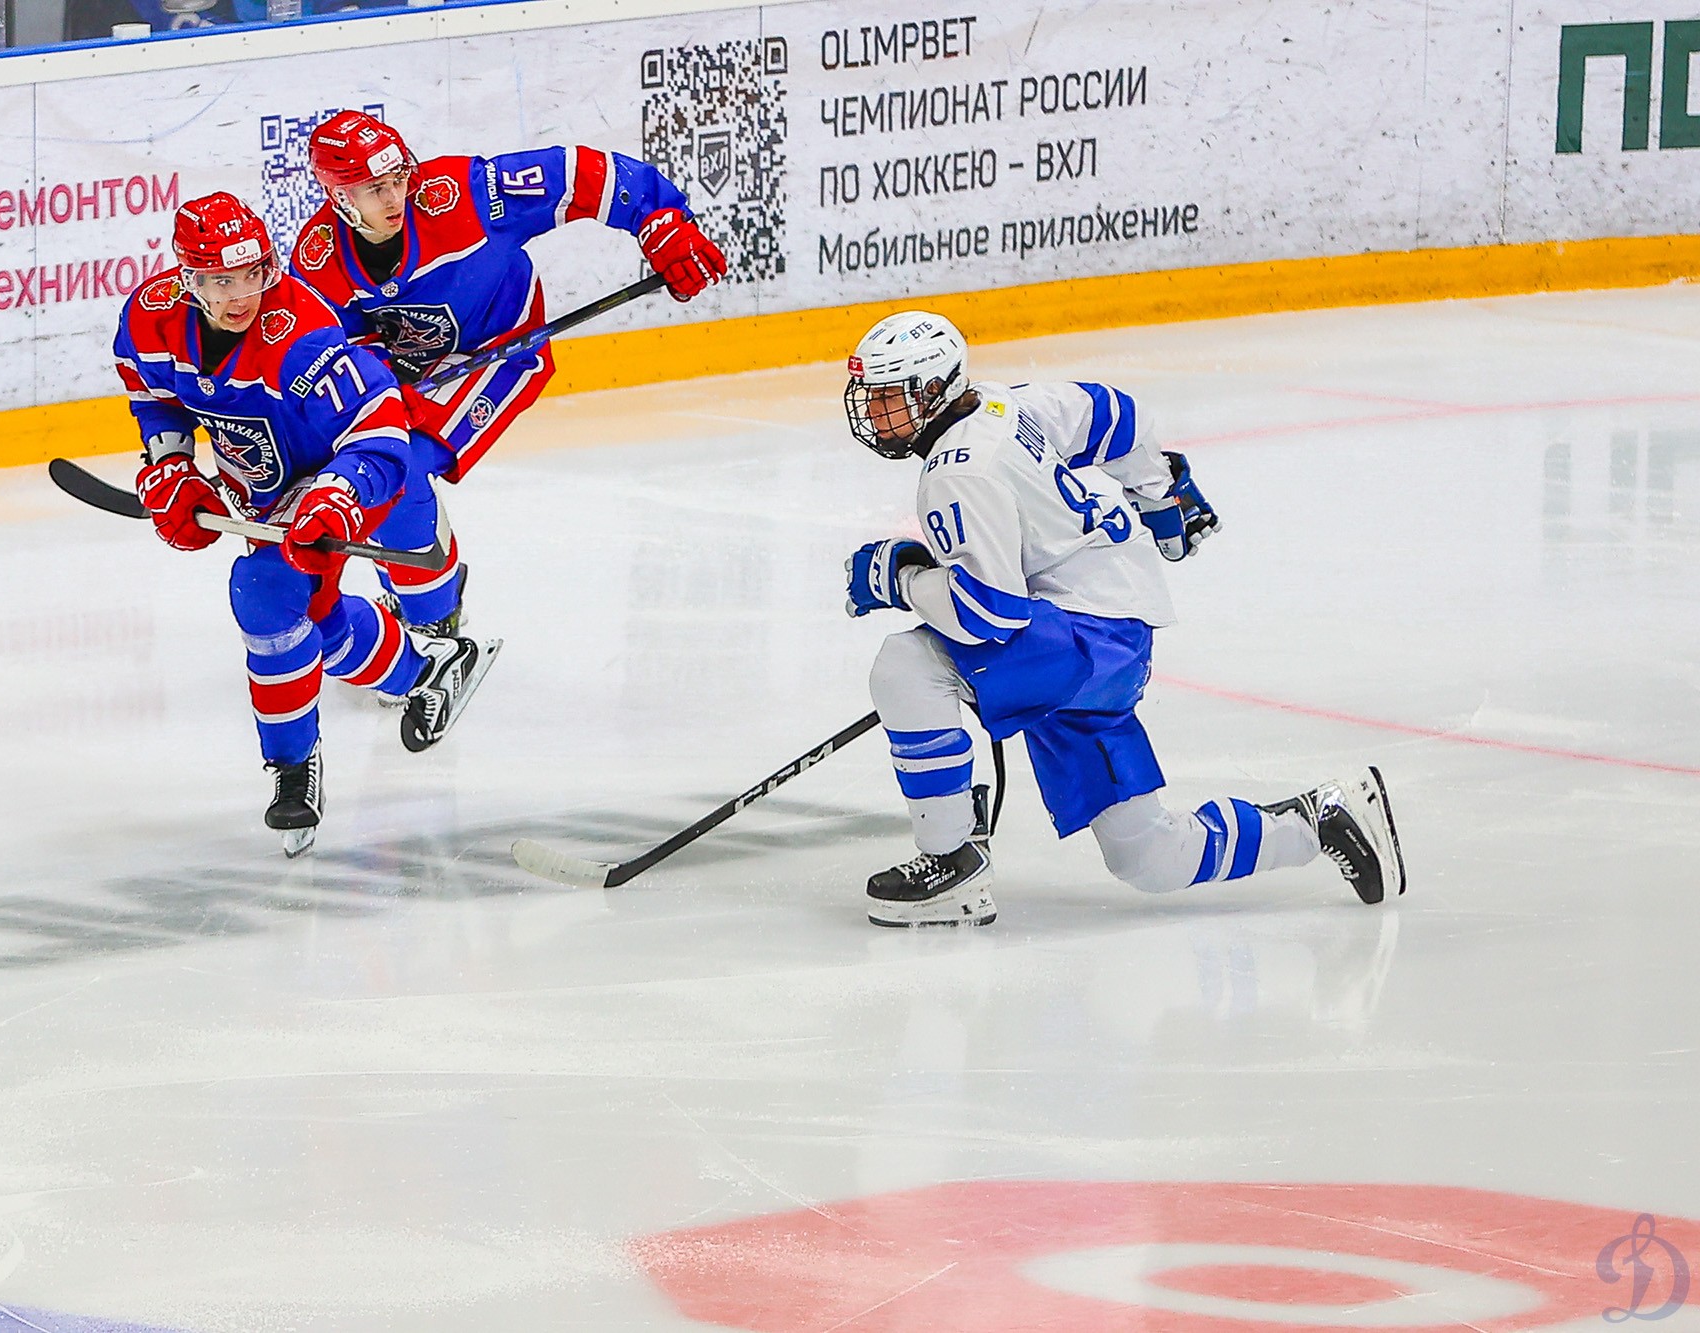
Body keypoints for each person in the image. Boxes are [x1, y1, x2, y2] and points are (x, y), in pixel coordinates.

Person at [839, 310, 1404, 926]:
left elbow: (986, 614)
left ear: (933, 390)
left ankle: (951, 862)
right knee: (1148, 855)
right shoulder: (1007, 404)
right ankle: (1322, 819)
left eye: (888, 396)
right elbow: (1117, 415)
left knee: (908, 665)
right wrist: (1161, 492)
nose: (873, 411)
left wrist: (899, 578)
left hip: (1081, 639)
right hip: (1111, 632)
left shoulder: (958, 472)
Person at [113, 191, 498, 857]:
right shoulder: (151, 319)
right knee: (305, 617)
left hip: (352, 476)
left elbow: (379, 432)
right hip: (269, 492)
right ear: (187, 279)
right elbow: (155, 399)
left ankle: (301, 758)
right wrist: (172, 466)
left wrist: (337, 498)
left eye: (254, 274)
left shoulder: (299, 337)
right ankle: (423, 673)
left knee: (277, 593)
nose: (241, 295)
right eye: (221, 281)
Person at [289, 109, 728, 634]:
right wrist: (379, 380)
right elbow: (334, 345)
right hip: (412, 370)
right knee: (369, 464)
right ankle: (409, 589)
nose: (394, 197)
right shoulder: (317, 260)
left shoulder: (463, 195)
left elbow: (579, 173)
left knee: (402, 466)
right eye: (375, 189)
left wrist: (661, 220)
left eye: (398, 177)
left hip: (502, 349)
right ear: (339, 197)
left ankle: (434, 617)